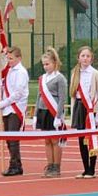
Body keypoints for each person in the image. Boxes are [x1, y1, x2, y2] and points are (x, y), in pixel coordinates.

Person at [69, 46, 98, 179]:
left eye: (88, 56)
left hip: (91, 109)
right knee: (81, 140)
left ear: (92, 58)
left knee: (91, 139)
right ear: (78, 58)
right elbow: (73, 95)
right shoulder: (75, 74)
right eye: (83, 56)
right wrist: (73, 113)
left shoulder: (95, 74)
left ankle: (92, 169)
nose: (85, 58)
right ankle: (85, 168)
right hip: (79, 107)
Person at [33, 47, 68, 177]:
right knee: (47, 140)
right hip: (43, 111)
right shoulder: (42, 78)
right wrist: (36, 114)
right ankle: (49, 165)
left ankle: (56, 167)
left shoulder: (60, 78)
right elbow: (39, 96)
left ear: (55, 63)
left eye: (47, 64)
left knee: (55, 140)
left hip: (53, 112)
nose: (45, 67)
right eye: (44, 64)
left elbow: (62, 98)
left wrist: (58, 116)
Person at [0, 46, 29, 176]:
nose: (8, 61)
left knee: (13, 138)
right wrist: (1, 85)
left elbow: (18, 93)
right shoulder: (9, 71)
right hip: (7, 108)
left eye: (11, 58)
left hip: (16, 108)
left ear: (19, 58)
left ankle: (15, 165)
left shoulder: (21, 72)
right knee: (8, 138)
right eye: (7, 58)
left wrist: (4, 102)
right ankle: (16, 164)